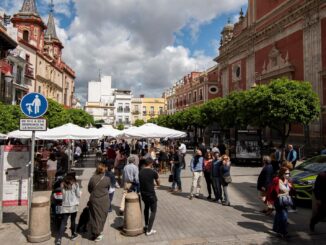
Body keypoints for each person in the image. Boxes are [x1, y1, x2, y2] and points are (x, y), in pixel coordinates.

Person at [88, 163, 111, 241]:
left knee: (94, 216)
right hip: (104, 201)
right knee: (102, 217)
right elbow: (108, 188)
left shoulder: (92, 178)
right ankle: (98, 232)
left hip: (94, 199)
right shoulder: (107, 179)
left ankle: (95, 232)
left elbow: (89, 189)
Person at [55, 174, 81, 245]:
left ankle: (59, 239)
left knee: (63, 222)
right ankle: (73, 235)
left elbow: (62, 195)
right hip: (73, 206)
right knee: (73, 220)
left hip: (65, 206)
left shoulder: (62, 185)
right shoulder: (75, 185)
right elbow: (78, 194)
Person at [269, 167, 292, 238]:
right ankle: (284, 232)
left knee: (278, 214)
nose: (288, 175)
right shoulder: (276, 180)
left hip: (285, 200)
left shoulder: (287, 180)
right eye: (286, 173)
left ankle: (276, 229)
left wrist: (290, 188)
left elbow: (290, 190)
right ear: (282, 173)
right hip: (278, 201)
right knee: (284, 216)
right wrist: (271, 202)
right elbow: (272, 191)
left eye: (289, 173)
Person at [139, 158, 160, 236]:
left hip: (143, 194)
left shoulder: (140, 172)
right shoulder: (153, 172)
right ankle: (149, 230)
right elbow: (158, 183)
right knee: (153, 211)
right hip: (151, 194)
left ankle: (147, 225)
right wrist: (155, 183)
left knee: (146, 208)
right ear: (151, 163)